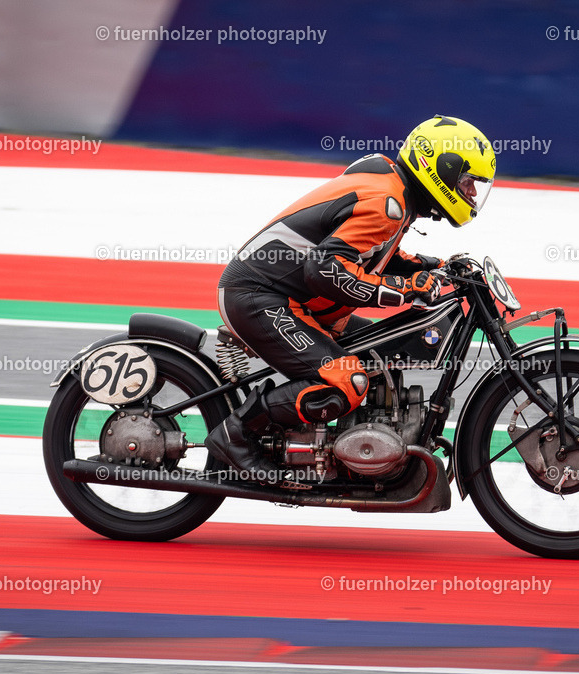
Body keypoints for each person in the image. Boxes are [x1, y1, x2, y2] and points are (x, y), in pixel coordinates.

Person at [206, 115, 496, 476]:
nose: (471, 194)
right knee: (349, 381)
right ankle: (236, 433)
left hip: (293, 300)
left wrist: (431, 266)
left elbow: (371, 253)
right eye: (468, 182)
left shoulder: (394, 190)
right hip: (260, 296)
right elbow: (325, 269)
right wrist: (404, 290)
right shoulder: (386, 202)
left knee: (381, 357)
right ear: (441, 169)